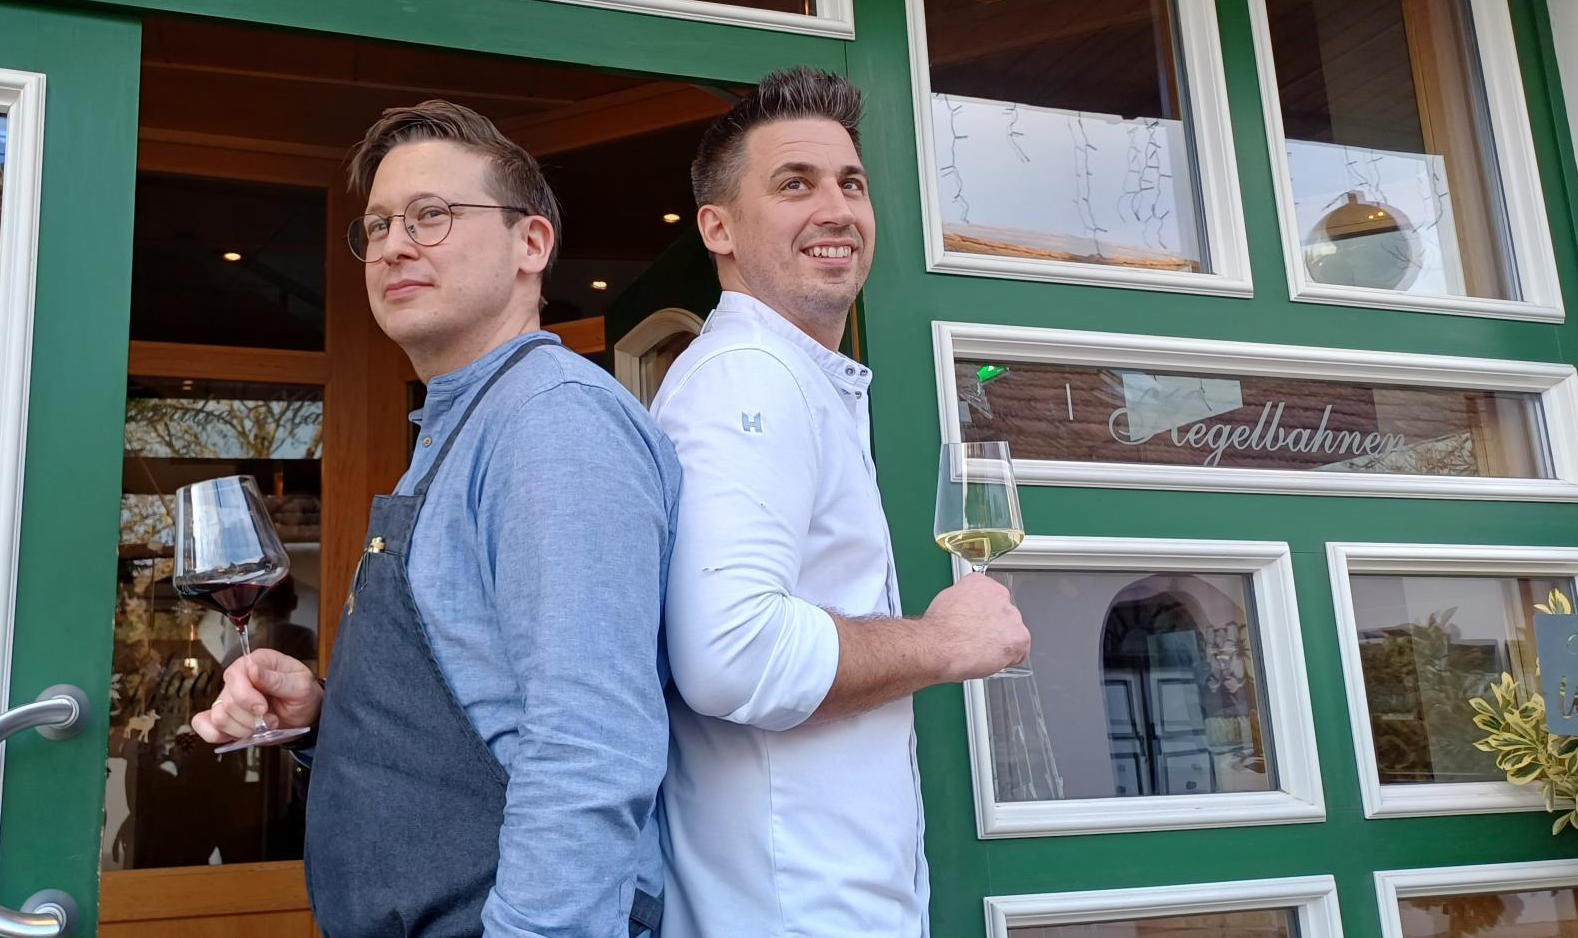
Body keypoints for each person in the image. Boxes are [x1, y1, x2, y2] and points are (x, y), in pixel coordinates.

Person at [192, 100, 678, 938]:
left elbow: (590, 744)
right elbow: (477, 710)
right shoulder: (463, 423)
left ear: (531, 244)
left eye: (431, 215)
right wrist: (324, 715)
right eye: (379, 225)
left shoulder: (552, 421)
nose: (393, 245)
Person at [652, 67, 1031, 937]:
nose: (837, 209)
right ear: (717, 227)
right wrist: (942, 641)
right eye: (795, 184)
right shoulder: (748, 375)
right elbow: (730, 653)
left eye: (851, 184)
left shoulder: (798, 376)